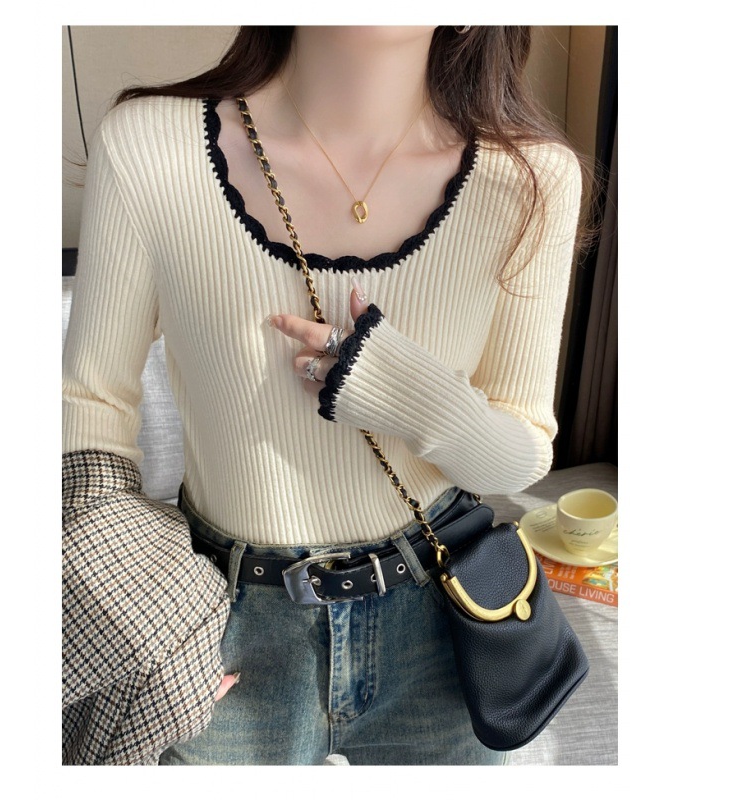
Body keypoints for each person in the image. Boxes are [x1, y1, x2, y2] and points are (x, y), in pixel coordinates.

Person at [62, 25, 586, 766]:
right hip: (222, 624)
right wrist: (143, 608)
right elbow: (89, 406)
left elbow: (522, 452)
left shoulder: (530, 178)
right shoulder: (151, 146)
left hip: (441, 614)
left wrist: (407, 391)